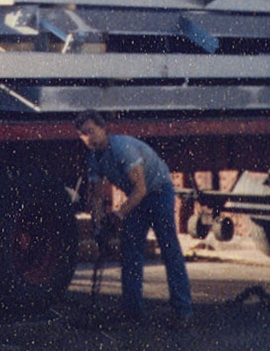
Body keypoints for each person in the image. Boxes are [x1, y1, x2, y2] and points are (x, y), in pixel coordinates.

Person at [77, 111, 191, 325]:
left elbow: (140, 189)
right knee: (130, 251)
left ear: (103, 129)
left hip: (157, 192)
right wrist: (99, 224)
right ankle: (133, 312)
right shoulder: (94, 158)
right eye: (83, 134)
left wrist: (119, 214)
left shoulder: (122, 149)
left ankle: (182, 310)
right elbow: (96, 196)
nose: (88, 138)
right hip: (136, 200)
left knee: (169, 250)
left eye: (91, 131)